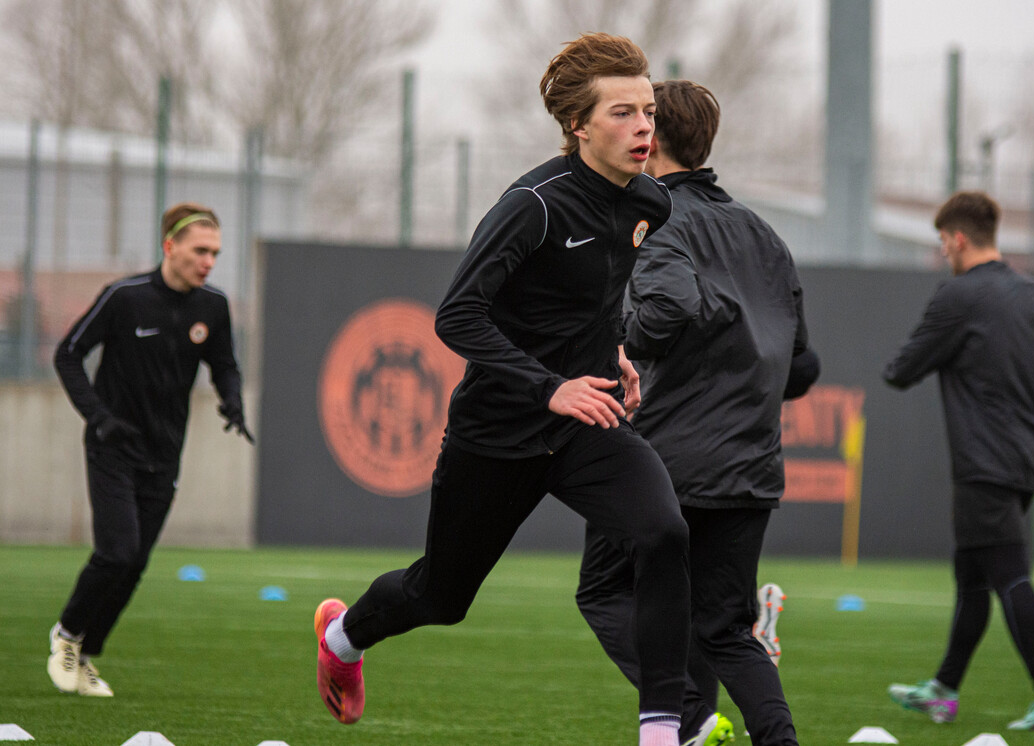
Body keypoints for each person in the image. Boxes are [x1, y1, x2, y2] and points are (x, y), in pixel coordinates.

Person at [313, 33, 692, 746]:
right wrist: (547, 386)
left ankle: (663, 731)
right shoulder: (533, 205)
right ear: (578, 126)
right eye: (622, 113)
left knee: (664, 532)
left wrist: (614, 350)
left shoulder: (651, 202)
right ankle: (340, 640)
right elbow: (458, 316)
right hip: (498, 431)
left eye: (647, 109)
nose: (644, 126)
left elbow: (595, 294)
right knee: (440, 597)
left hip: (586, 423)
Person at [575, 80, 817, 746]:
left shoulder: (653, 218)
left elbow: (668, 311)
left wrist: (616, 332)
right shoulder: (764, 236)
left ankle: (688, 718)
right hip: (750, 468)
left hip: (666, 463)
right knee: (725, 629)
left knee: (604, 591)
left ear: (653, 141)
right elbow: (803, 367)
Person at [883, 190, 1034, 731]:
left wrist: (935, 351)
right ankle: (944, 690)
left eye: (941, 244)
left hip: (983, 465)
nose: (942, 254)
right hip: (1025, 464)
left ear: (955, 239)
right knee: (972, 577)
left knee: (1007, 575)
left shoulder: (958, 297)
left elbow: (902, 369)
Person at [49, 202, 254, 697]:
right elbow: (68, 354)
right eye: (200, 250)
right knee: (117, 553)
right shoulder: (124, 297)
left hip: (165, 454)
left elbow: (223, 364)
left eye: (216, 253)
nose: (208, 261)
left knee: (136, 563)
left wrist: (232, 400)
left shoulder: (213, 306)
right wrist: (99, 418)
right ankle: (66, 635)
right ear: (170, 247)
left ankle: (86, 656)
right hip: (112, 447)